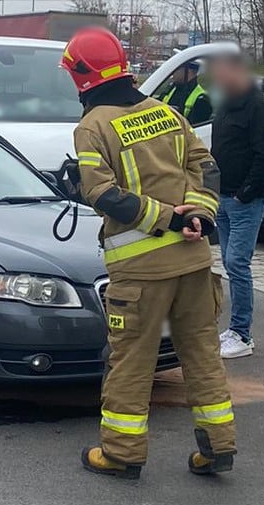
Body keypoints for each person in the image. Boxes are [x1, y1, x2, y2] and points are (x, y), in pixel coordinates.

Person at [65, 27, 236, 480]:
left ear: (82, 76)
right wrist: (197, 213)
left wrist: (168, 218)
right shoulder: (166, 112)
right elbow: (207, 167)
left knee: (130, 363)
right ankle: (218, 447)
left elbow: (101, 193)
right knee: (202, 354)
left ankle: (121, 453)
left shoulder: (92, 126)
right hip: (195, 261)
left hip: (141, 272)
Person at [210, 51, 264, 358]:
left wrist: (245, 193)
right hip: (222, 197)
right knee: (228, 262)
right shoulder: (226, 103)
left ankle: (242, 333)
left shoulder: (261, 107)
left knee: (238, 264)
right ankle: (234, 329)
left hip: (245, 201)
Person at [159, 60, 213, 126]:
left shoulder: (202, 98)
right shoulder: (173, 88)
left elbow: (196, 128)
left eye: (177, 70)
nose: (173, 74)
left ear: (188, 71)